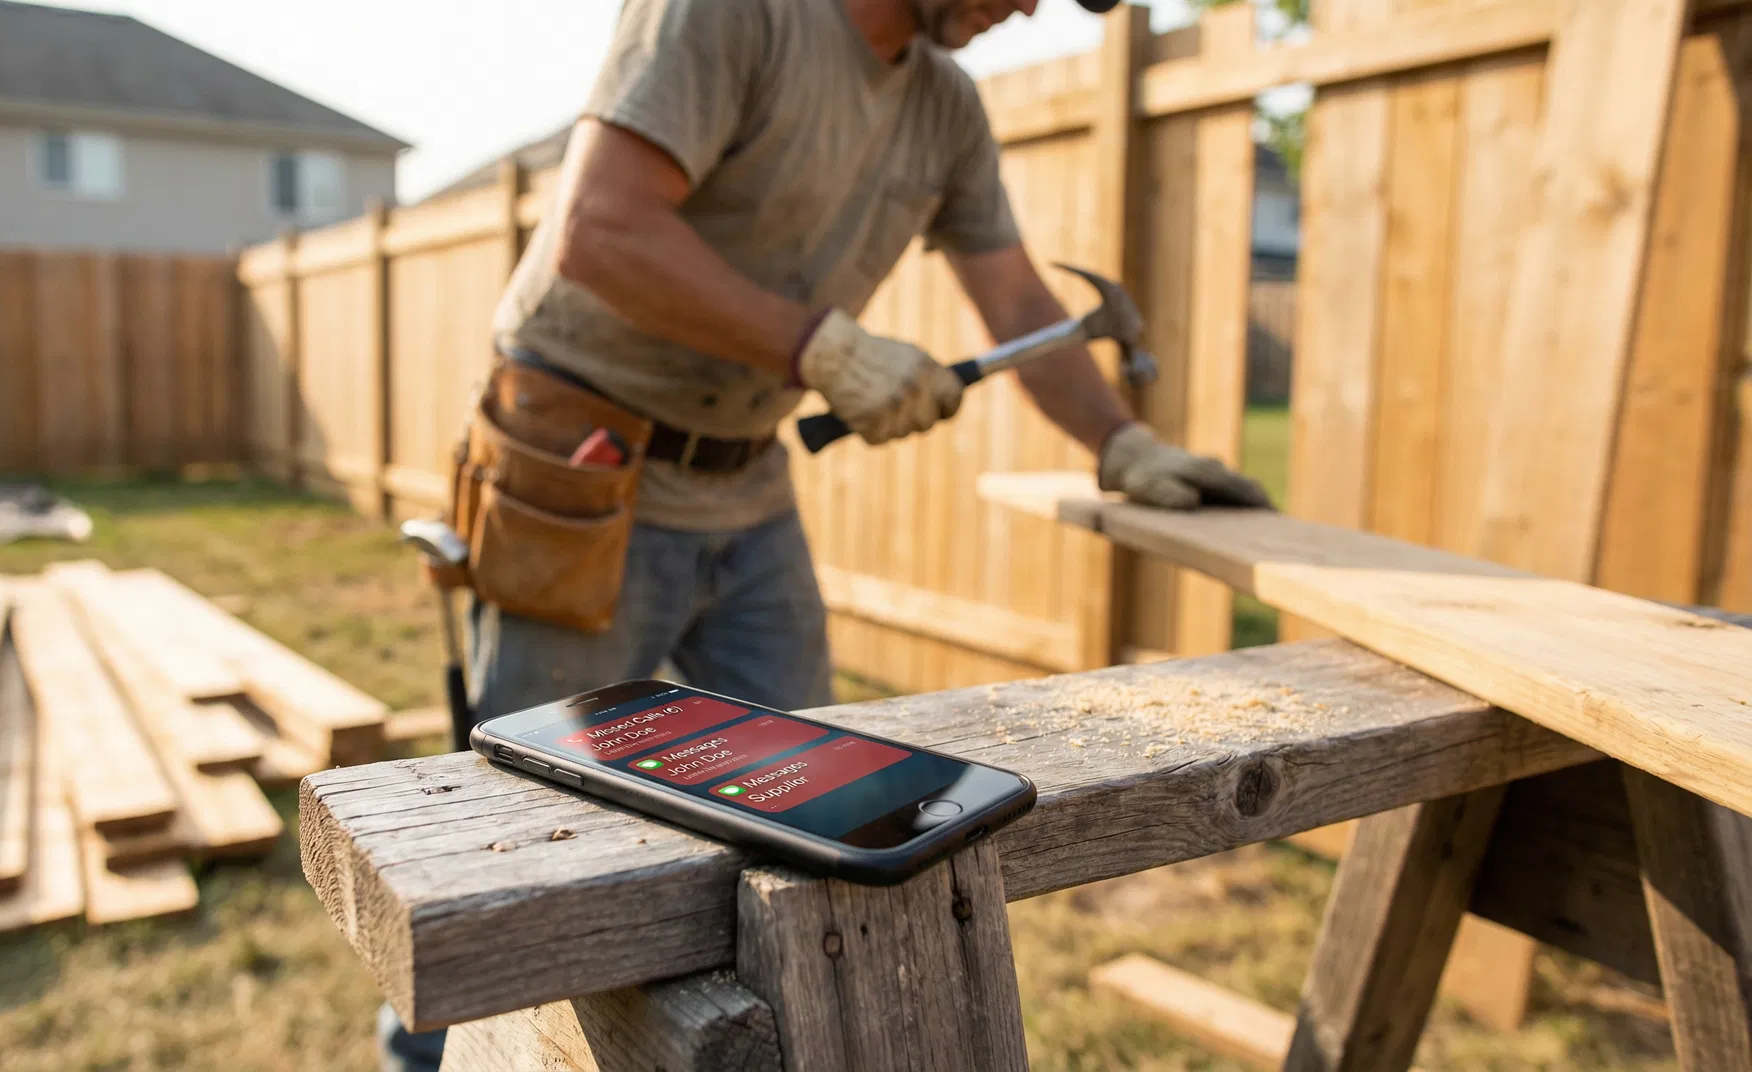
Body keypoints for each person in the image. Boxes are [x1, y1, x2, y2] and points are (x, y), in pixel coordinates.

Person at [379, 0, 1270, 1067]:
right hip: (582, 464)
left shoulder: (944, 106)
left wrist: (1119, 442)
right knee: (511, 840)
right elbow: (601, 232)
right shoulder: (732, 15)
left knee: (819, 813)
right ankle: (422, 1059)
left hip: (746, 475)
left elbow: (1014, 293)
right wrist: (825, 351)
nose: (1033, 5)